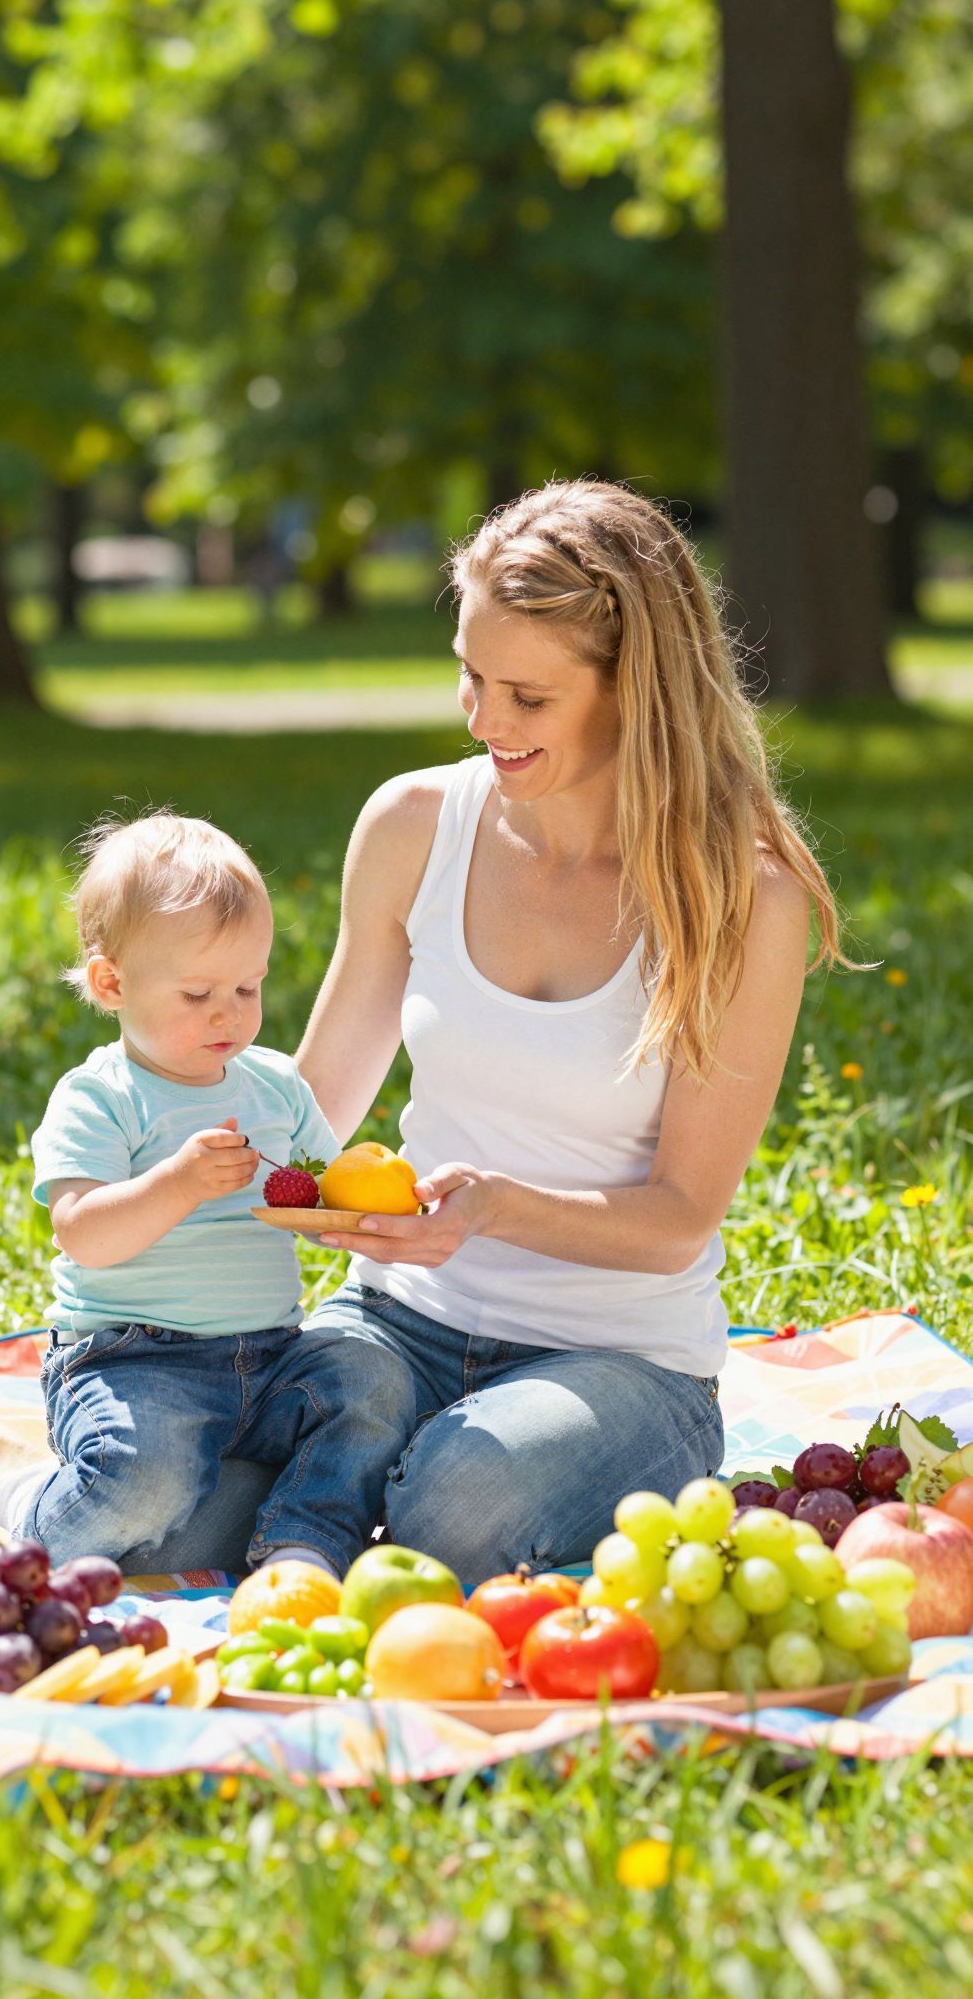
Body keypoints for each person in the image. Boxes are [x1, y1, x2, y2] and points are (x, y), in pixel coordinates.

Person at [289, 478, 844, 1579]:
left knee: (459, 1502)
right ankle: (335, 1496)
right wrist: (175, 1130)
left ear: (633, 687)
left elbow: (679, 1218)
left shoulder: (744, 896)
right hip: (400, 1318)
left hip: (619, 1359)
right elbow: (309, 1112)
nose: (485, 720)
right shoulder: (413, 826)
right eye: (469, 675)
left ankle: (354, 1499)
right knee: (203, 1458)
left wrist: (492, 1205)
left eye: (527, 696)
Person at [0, 811, 414, 1577]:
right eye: (196, 994)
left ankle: (301, 1545)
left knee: (373, 1382)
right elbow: (83, 1234)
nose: (229, 1012)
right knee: (143, 1477)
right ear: (111, 983)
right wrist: (177, 1182)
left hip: (272, 1354)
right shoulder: (99, 1098)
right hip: (133, 1361)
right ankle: (32, 1513)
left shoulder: (274, 1086)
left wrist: (364, 1208)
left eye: (248, 986)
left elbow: (325, 1192)